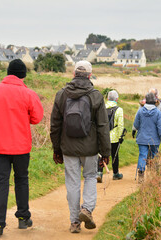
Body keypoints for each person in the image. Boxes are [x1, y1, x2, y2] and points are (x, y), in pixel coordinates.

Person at [0, 59, 44, 238]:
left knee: (1, 184)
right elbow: (36, 118)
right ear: (23, 75)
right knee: (21, 180)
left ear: (8, 73)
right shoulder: (28, 93)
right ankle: (23, 218)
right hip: (21, 147)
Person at [50, 60, 111, 234]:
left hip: (68, 148)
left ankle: (75, 222)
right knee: (91, 177)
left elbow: (55, 125)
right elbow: (102, 126)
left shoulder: (61, 94)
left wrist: (57, 149)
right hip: (90, 148)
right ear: (90, 75)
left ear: (74, 74)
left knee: (72, 183)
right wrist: (105, 152)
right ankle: (87, 209)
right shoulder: (96, 95)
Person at [133, 92, 161, 183]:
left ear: (146, 101)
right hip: (154, 140)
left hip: (142, 138)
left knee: (142, 155)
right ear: (155, 101)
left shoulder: (140, 111)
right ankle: (154, 176)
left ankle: (141, 174)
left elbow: (136, 124)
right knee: (154, 156)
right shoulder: (158, 113)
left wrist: (135, 130)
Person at [97, 90, 124, 182]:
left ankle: (99, 173)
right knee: (114, 155)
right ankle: (115, 173)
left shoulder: (102, 107)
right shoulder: (119, 109)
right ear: (117, 99)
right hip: (114, 137)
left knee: (101, 155)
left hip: (102, 136)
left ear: (107, 98)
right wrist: (120, 136)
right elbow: (120, 125)